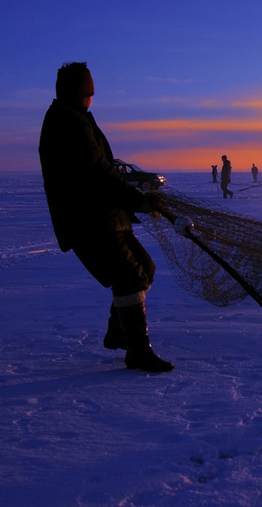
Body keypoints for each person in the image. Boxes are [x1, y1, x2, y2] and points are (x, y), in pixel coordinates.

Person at [38, 62, 173, 372]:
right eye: (89, 93)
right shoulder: (66, 122)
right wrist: (138, 201)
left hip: (108, 215)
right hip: (88, 218)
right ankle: (137, 350)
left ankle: (119, 334)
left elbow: (105, 169)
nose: (92, 99)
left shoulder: (77, 117)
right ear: (80, 92)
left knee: (145, 269)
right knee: (128, 278)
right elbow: (97, 173)